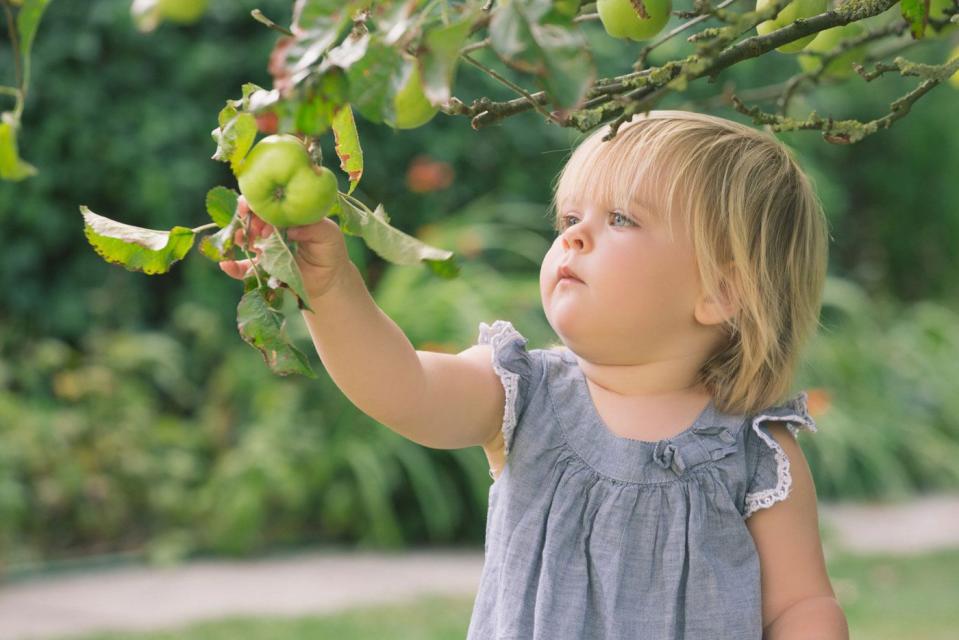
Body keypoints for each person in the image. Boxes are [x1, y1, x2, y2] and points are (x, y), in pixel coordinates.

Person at [219, 109, 849, 639]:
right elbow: (404, 387)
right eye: (570, 220)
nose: (574, 239)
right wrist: (331, 290)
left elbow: (801, 605)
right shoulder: (526, 395)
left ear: (722, 290)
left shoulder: (755, 451)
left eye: (621, 219)